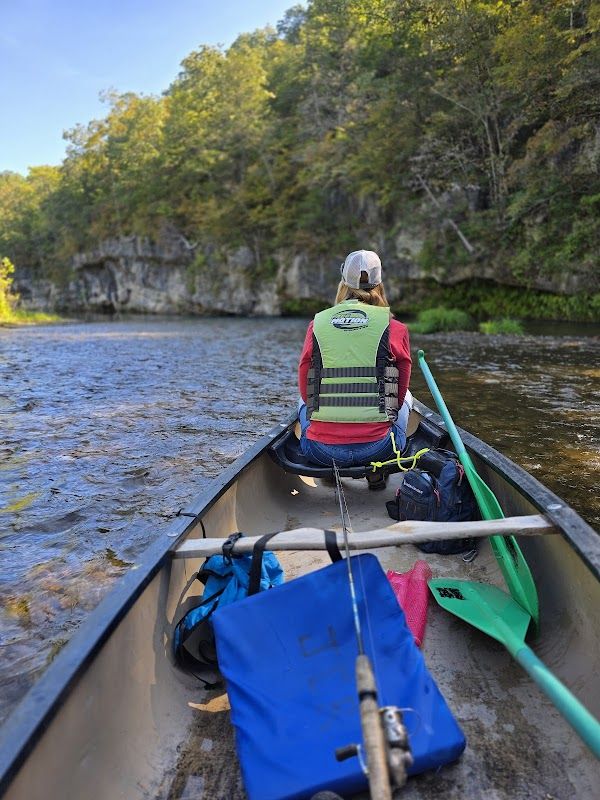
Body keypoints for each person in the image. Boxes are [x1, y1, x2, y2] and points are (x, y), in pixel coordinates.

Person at [297, 250, 412, 481]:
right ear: (379, 284)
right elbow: (398, 399)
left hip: (321, 451)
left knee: (301, 400)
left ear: (343, 283)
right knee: (408, 395)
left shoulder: (316, 324)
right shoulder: (396, 328)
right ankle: (376, 472)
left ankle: (330, 471)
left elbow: (305, 390)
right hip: (380, 449)